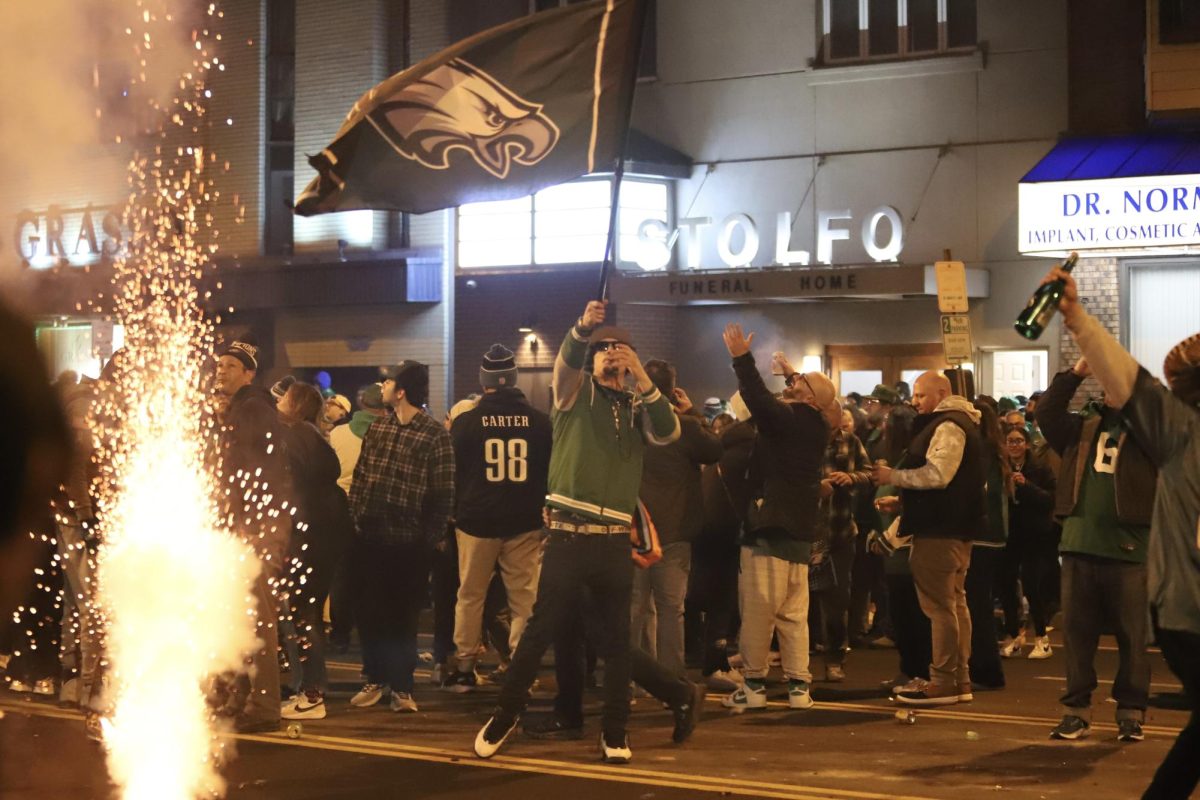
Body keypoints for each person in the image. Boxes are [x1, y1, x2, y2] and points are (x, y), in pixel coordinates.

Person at [474, 301, 682, 765]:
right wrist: (583, 329)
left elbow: (669, 433)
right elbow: (565, 364)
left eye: (620, 349)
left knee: (615, 643)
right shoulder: (575, 393)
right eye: (604, 349)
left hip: (612, 541)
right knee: (538, 630)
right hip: (569, 536)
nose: (611, 354)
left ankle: (615, 732)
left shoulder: (635, 405)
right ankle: (504, 715)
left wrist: (643, 380)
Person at [1044, 263, 1199, 797]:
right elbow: (1130, 381)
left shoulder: (1167, 432)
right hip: (1183, 607)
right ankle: (1085, 709)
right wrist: (1077, 320)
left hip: (1168, 592)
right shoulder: (1176, 430)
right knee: (1084, 637)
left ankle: (1133, 716)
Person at [719, 323, 839, 712]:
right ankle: (799, 687)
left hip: (768, 529)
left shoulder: (787, 420)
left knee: (757, 612)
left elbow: (756, 397)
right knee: (793, 616)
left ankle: (753, 686)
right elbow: (811, 396)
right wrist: (792, 373)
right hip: (800, 534)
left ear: (808, 398)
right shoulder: (818, 424)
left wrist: (741, 358)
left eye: (797, 384)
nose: (790, 386)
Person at [1036, 356, 1155, 743]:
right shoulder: (1080, 426)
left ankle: (1131, 712)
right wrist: (1075, 374)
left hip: (1130, 549)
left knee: (1133, 639)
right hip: (1078, 545)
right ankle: (1076, 711)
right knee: (1077, 635)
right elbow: (1047, 411)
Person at [346, 361, 454, 713]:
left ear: (402, 390)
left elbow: (443, 493)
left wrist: (429, 538)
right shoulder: (380, 428)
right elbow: (362, 476)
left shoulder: (433, 434)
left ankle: (402, 686)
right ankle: (375, 678)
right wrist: (357, 517)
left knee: (404, 616)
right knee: (371, 613)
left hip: (409, 543)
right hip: (371, 537)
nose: (384, 386)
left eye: (389, 381)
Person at [873, 371, 986, 706]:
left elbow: (939, 474)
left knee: (940, 608)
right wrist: (904, 501)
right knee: (954, 604)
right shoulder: (962, 422)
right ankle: (959, 678)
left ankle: (943, 680)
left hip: (939, 532)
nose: (915, 402)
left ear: (941, 393)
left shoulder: (948, 425)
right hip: (954, 528)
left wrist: (893, 477)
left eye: (921, 395)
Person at [444, 345, 552, 691]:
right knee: (524, 599)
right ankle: (521, 665)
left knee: (470, 595)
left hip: (477, 521)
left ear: (484, 380)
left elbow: (453, 472)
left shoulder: (466, 423)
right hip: (524, 522)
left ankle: (464, 665)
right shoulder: (539, 422)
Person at [213, 339, 294, 733]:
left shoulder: (254, 409)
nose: (221, 370)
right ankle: (241, 695)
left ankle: (264, 706)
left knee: (258, 618)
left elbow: (258, 472)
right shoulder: (241, 409)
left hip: (255, 529)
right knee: (239, 615)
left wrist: (248, 522)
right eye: (220, 364)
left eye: (231, 365)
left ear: (249, 372)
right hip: (244, 526)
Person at [631, 359, 721, 677]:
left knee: (634, 611)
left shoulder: (631, 422)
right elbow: (715, 449)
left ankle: (632, 681)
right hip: (676, 530)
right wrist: (693, 413)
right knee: (672, 610)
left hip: (637, 530)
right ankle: (670, 680)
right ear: (673, 388)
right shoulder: (686, 427)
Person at [277, 382, 353, 721]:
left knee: (304, 615)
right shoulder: (315, 438)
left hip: (307, 536)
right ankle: (309, 688)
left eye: (283, 399)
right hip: (326, 535)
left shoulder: (294, 438)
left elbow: (290, 489)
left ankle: (311, 693)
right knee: (307, 613)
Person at [810, 409, 872, 682]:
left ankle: (835, 659)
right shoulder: (803, 439)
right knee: (796, 604)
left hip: (840, 532)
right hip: (806, 534)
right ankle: (795, 661)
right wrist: (815, 487)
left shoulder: (851, 442)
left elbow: (869, 474)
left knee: (837, 601)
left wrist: (852, 478)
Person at [326, 383, 387, 651]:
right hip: (377, 509)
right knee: (374, 575)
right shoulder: (389, 432)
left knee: (342, 574)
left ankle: (340, 634)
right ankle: (371, 633)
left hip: (342, 509)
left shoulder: (338, 433)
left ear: (361, 404)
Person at [997, 426, 1057, 660]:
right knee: (1007, 583)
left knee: (1032, 584)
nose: (1014, 445)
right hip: (1010, 533)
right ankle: (1014, 635)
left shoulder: (1039, 468)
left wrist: (1026, 485)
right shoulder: (1001, 468)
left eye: (1019, 441)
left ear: (1027, 444)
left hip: (1035, 533)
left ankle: (1041, 638)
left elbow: (1049, 499)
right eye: (1010, 441)